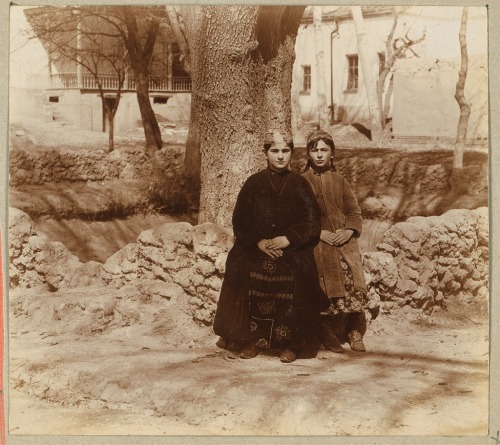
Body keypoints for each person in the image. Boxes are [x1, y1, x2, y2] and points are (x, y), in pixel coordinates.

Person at [213, 130, 329, 363]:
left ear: (291, 154)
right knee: (242, 268)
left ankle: (291, 344)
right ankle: (249, 340)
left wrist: (289, 239)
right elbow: (240, 219)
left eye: (285, 151)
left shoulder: (300, 184)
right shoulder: (253, 183)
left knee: (299, 272)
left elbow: (312, 220)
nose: (280, 156)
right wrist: (260, 241)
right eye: (274, 151)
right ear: (265, 154)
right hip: (256, 245)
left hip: (290, 247)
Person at [302, 129, 368, 353]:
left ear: (332, 153)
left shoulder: (340, 180)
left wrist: (349, 231)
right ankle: (325, 331)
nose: (319, 155)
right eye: (315, 150)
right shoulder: (301, 181)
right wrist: (318, 233)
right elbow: (296, 216)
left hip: (343, 239)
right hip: (317, 240)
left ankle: (354, 328)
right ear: (308, 154)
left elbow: (354, 211)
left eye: (324, 150)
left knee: (350, 272)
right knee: (323, 273)